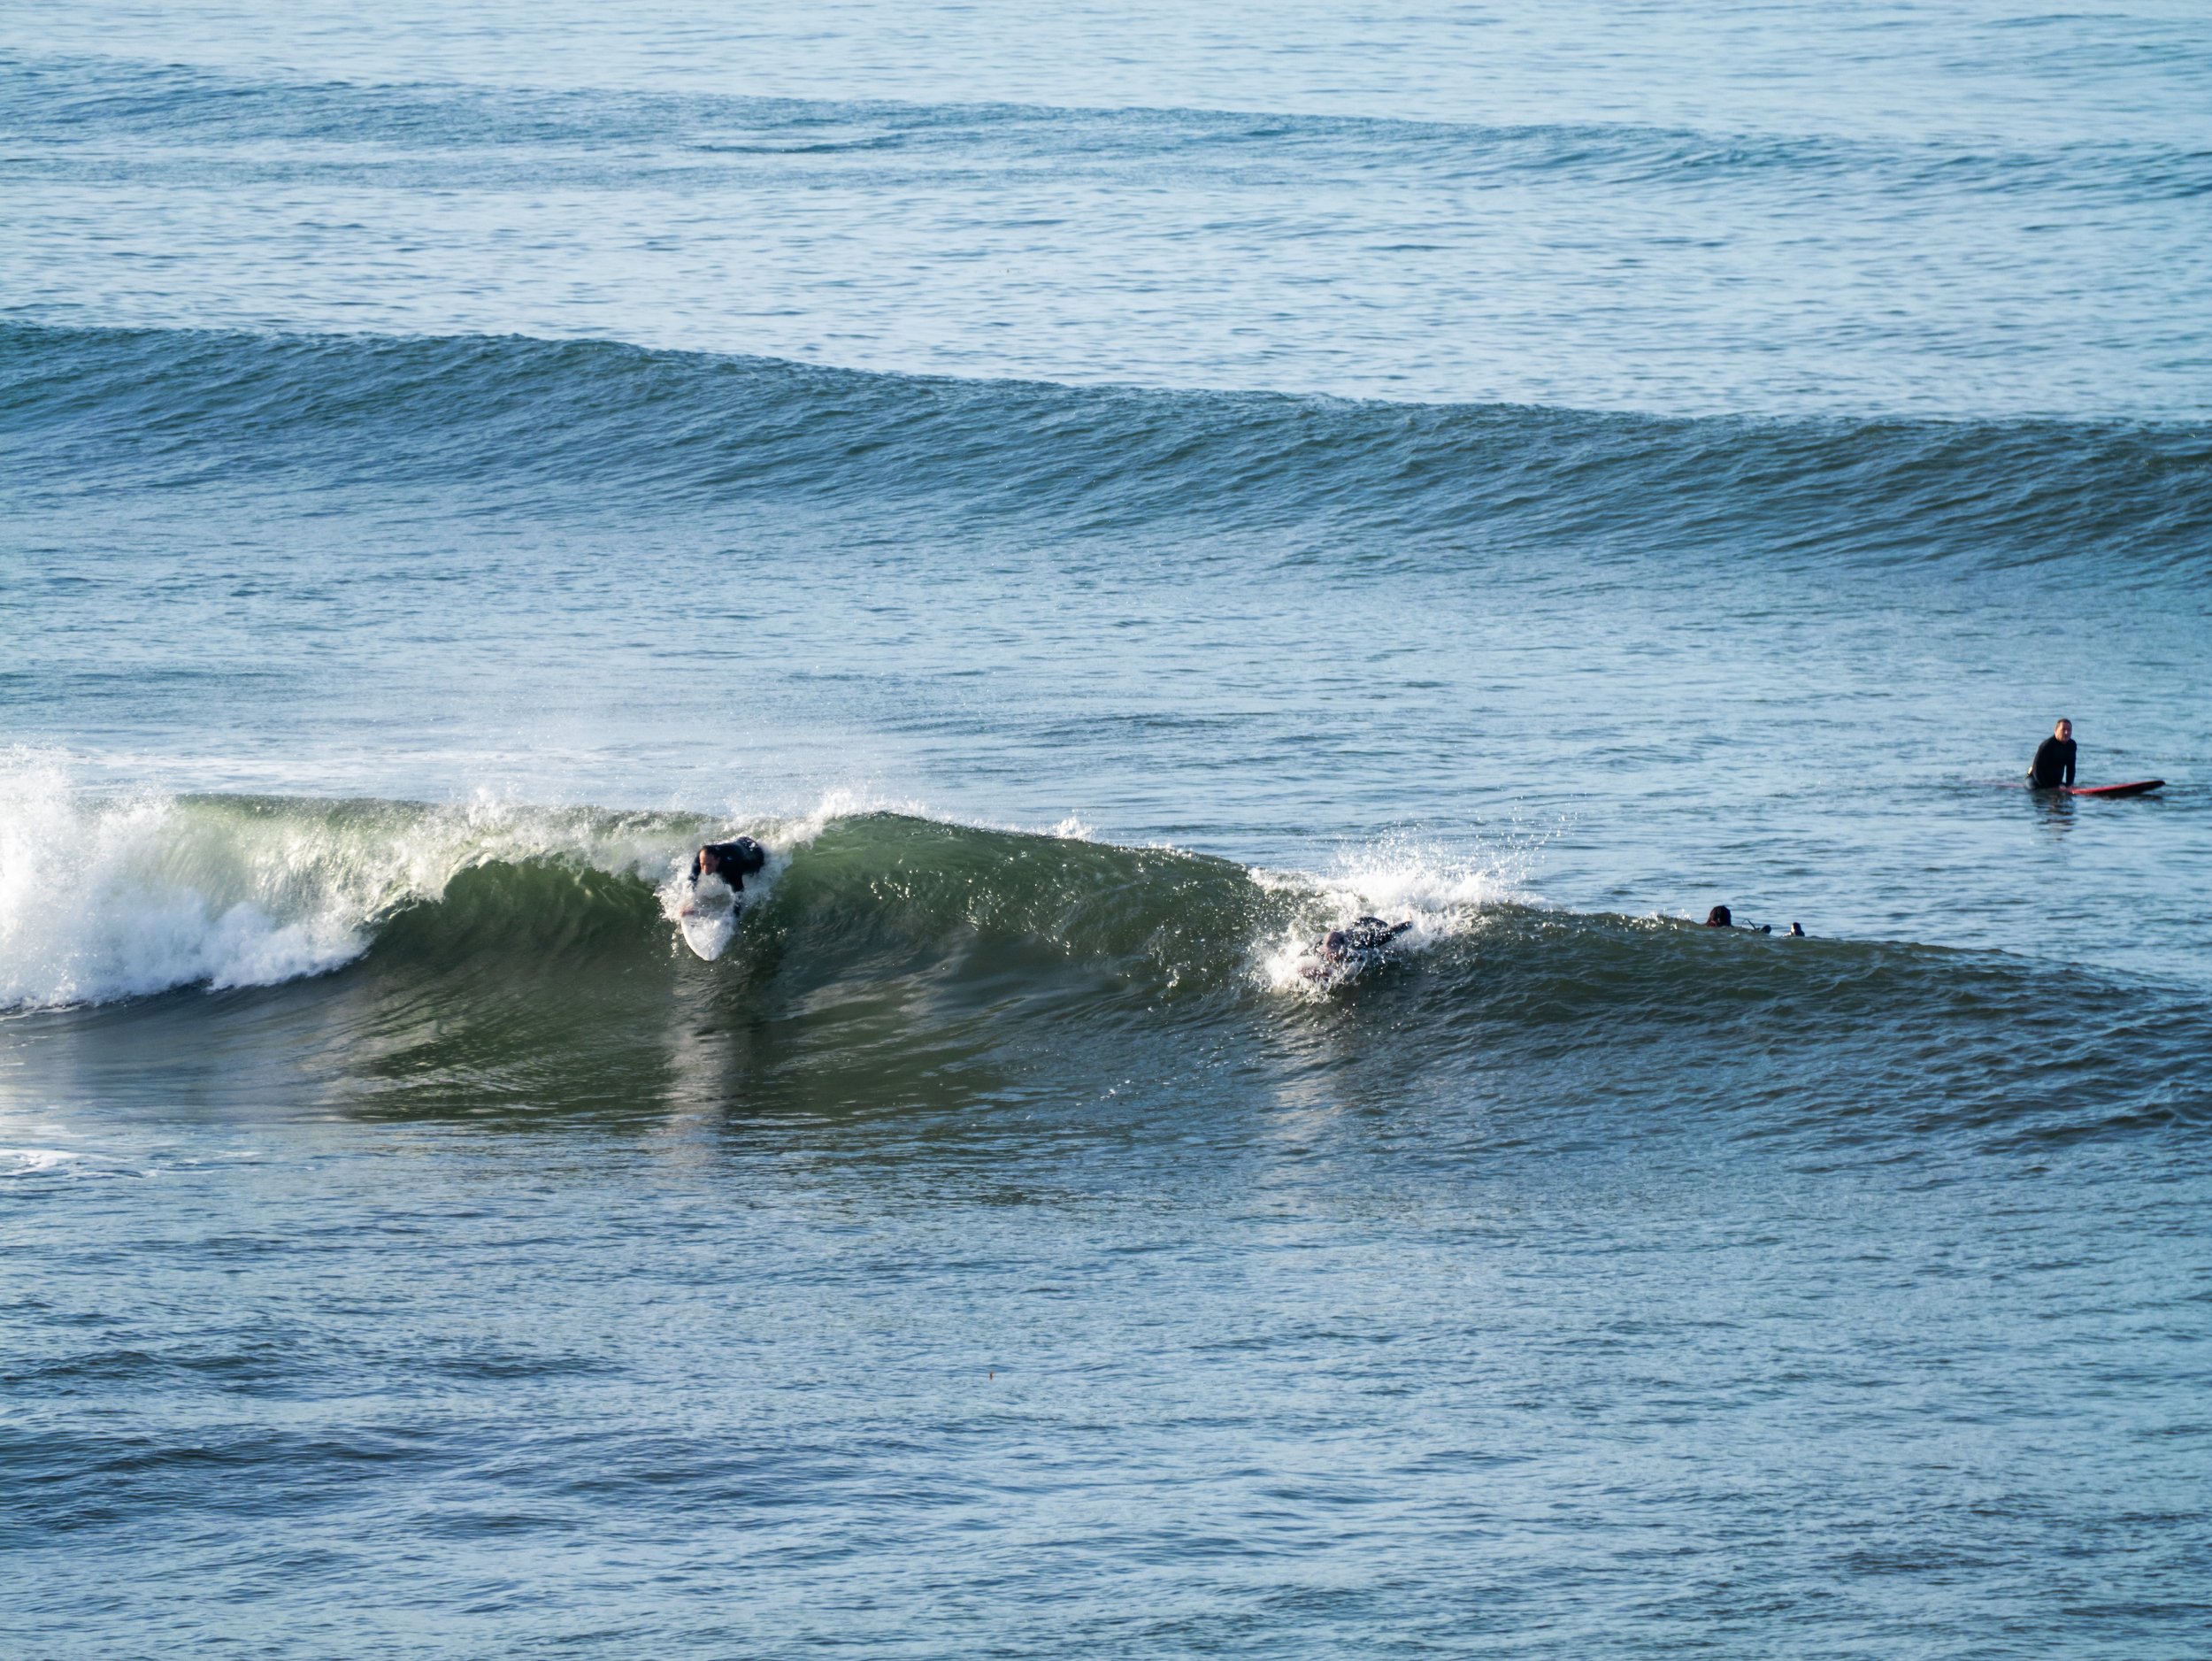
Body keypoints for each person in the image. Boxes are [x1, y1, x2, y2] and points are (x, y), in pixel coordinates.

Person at [690, 837, 768, 893]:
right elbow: (692, 879)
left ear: (718, 860)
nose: (705, 869)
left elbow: (739, 894)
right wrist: (689, 903)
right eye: (702, 864)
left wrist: (730, 916)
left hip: (754, 852)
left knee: (754, 871)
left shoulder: (730, 868)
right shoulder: (702, 855)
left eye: (709, 864)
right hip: (738, 845)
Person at [2028, 718, 2077, 789]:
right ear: (2056, 730)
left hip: (2055, 782)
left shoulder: (2072, 745)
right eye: (2063, 730)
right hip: (2035, 780)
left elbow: (2071, 768)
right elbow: (2036, 768)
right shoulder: (2047, 745)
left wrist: (2069, 785)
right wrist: (2046, 787)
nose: (2067, 732)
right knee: (2036, 791)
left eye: (2069, 730)